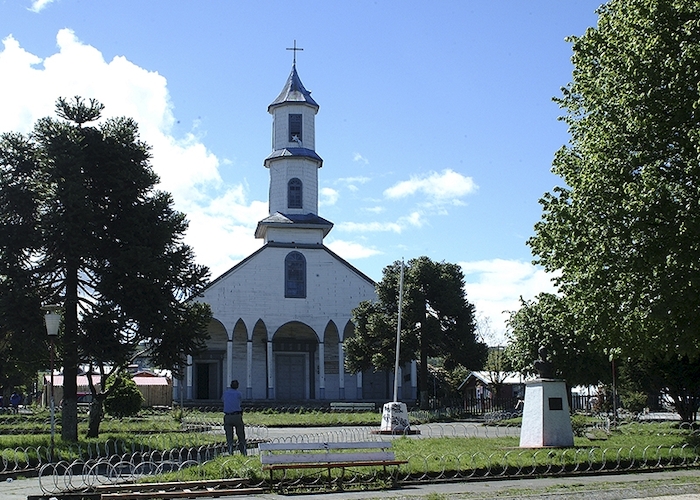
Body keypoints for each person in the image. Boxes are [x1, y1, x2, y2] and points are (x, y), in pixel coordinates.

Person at [222, 380, 246, 455]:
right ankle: (243, 452)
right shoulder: (239, 393)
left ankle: (230, 452)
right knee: (241, 435)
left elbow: (223, 400)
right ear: (237, 386)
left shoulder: (225, 393)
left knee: (229, 436)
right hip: (237, 415)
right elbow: (240, 402)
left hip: (227, 416)